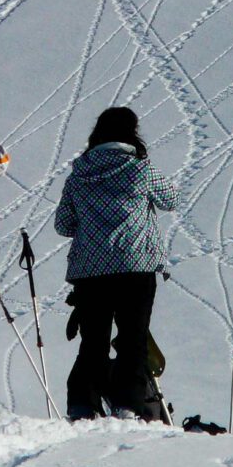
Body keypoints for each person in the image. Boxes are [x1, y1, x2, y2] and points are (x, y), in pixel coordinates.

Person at [54, 107, 178, 422]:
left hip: (90, 271)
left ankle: (82, 404)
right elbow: (170, 199)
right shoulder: (141, 169)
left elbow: (64, 225)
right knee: (132, 339)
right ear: (132, 133)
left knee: (93, 341)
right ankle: (128, 405)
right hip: (135, 266)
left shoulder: (79, 174)